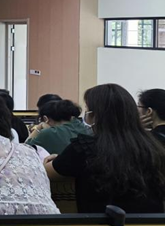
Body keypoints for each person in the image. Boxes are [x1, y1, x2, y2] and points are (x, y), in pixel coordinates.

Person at [45, 84, 165, 214]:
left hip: (100, 224)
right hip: (152, 224)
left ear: (95, 116)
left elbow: (46, 172)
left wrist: (58, 159)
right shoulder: (154, 147)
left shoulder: (85, 148)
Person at [25, 99, 90, 155]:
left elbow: (25, 149)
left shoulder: (49, 133)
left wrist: (39, 128)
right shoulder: (85, 128)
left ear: (45, 119)